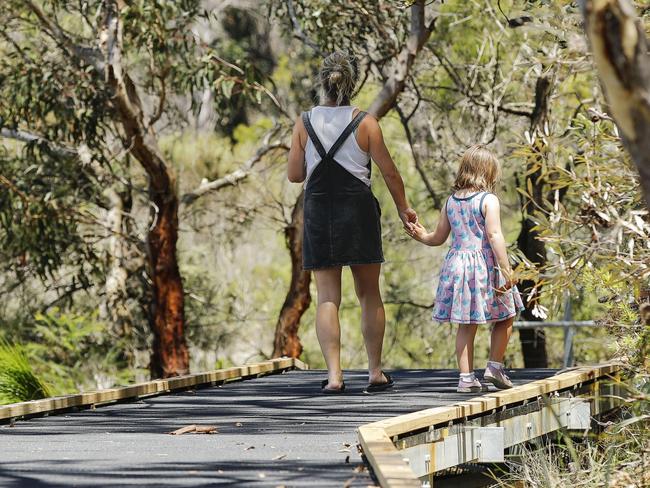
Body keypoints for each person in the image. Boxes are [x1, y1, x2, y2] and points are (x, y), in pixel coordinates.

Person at [287, 51, 417, 394]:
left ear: (322, 83)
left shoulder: (304, 122)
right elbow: (389, 171)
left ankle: (334, 377)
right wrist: (404, 209)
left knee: (328, 295)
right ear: (352, 84)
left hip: (319, 210)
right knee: (369, 293)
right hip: (357, 210)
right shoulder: (366, 122)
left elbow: (295, 175)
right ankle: (375, 372)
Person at [406, 145, 524, 393]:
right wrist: (506, 270)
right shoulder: (488, 200)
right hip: (485, 267)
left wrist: (421, 235)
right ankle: (494, 366)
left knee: (465, 323)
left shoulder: (451, 201)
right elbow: (493, 234)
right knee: (506, 314)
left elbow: (438, 238)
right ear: (488, 172)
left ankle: (466, 378)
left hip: (458, 266)